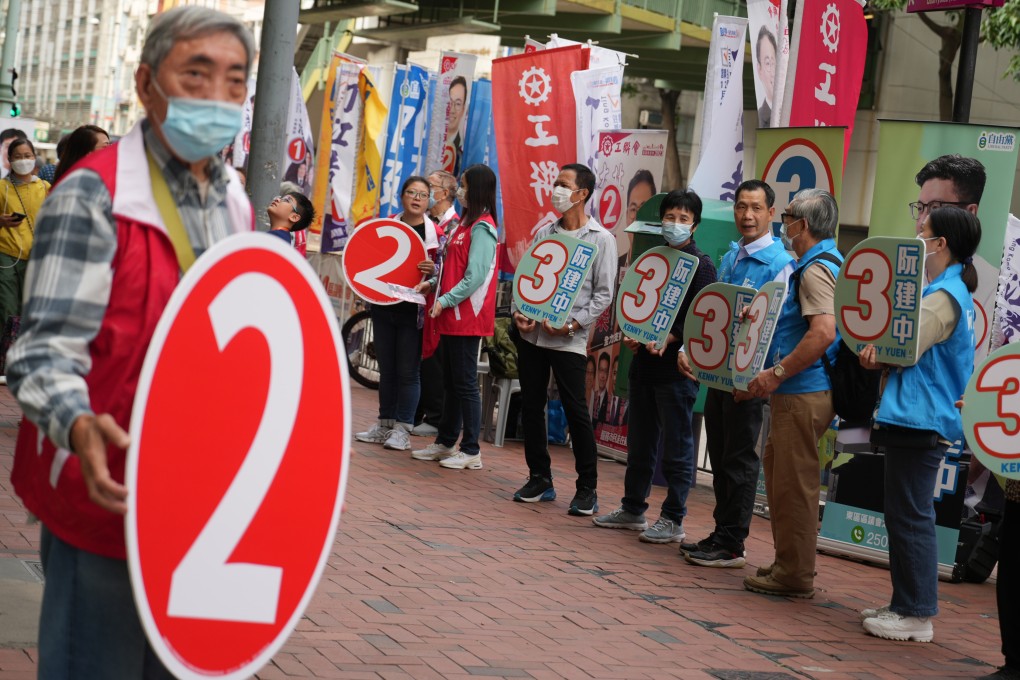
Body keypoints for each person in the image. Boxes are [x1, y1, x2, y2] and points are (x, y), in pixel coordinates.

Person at [5, 7, 254, 677]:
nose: (217, 96)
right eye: (195, 74)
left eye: (234, 81)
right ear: (147, 84)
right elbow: (42, 352)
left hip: (199, 501)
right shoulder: (93, 194)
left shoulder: (234, 203)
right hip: (107, 488)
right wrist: (78, 424)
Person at [856, 206, 980, 643]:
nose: (916, 234)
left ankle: (916, 612)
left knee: (910, 515)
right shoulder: (945, 291)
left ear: (941, 243)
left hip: (922, 418)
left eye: (923, 230)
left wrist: (877, 353)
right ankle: (905, 602)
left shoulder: (943, 297)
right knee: (905, 513)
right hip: (917, 415)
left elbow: (903, 348)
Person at [678, 179, 795, 567]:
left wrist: (760, 376)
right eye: (741, 207)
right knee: (723, 454)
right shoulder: (731, 257)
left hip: (750, 379)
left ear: (771, 214)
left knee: (740, 460)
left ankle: (732, 542)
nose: (747, 215)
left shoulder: (780, 265)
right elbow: (712, 313)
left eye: (756, 208)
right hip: (718, 375)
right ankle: (720, 532)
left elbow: (778, 326)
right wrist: (689, 349)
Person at [593, 188, 717, 543]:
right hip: (643, 365)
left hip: (675, 372)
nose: (675, 224)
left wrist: (672, 337)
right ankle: (633, 509)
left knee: (677, 446)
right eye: (670, 217)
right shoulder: (653, 258)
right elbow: (635, 305)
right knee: (641, 443)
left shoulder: (702, 265)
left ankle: (674, 518)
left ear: (694, 226)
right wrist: (633, 334)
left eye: (683, 219)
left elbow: (700, 317)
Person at [741, 188, 842, 598]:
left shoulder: (816, 269)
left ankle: (795, 573)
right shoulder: (821, 262)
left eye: (787, 216)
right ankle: (788, 562)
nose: (783, 223)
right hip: (802, 389)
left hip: (803, 390)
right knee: (782, 478)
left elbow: (822, 333)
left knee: (794, 484)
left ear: (802, 224)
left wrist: (777, 373)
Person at [509, 163, 617, 515]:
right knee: (531, 404)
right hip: (534, 337)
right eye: (555, 182)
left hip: (568, 340)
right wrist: (518, 312)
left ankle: (587, 488)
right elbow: (526, 278)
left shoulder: (602, 239)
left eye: (562, 184)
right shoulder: (546, 233)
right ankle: (539, 477)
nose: (555, 188)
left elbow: (604, 294)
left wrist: (572, 324)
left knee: (575, 411)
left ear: (582, 194)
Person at [411, 164, 498, 469]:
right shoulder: (462, 225)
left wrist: (445, 299)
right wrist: (433, 284)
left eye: (463, 184)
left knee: (464, 385)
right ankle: (446, 442)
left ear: (476, 189)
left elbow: (474, 277)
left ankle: (471, 449)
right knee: (450, 382)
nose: (458, 190)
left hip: (467, 317)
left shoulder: (483, 228)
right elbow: (451, 269)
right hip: (449, 314)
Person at [356, 175, 439, 451]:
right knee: (387, 370)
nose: (416, 198)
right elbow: (367, 259)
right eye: (412, 192)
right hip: (383, 307)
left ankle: (403, 428)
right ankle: (385, 424)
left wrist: (433, 272)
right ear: (402, 196)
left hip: (412, 312)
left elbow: (446, 273)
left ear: (429, 201)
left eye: (423, 194)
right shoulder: (386, 225)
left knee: (408, 371)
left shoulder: (435, 234)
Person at [413, 169, 460, 438]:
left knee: (436, 360)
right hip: (422, 299)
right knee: (422, 360)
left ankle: (436, 415)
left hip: (441, 300)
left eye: (429, 187)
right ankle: (418, 412)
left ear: (444, 193)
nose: (424, 192)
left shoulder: (454, 226)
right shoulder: (428, 221)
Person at [0, 138, 51, 326]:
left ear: (34, 157)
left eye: (27, 155)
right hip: (6, 256)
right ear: (10, 159)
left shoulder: (45, 188)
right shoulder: (1, 188)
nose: (23, 160)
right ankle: (5, 351)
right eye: (18, 156)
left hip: (36, 256)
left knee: (29, 307)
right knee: (7, 307)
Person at [445, 76, 467, 176]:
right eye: (450, 102)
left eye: (458, 104)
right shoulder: (433, 142)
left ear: (463, 109)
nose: (452, 110)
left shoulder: (463, 151)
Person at [756, 27, 777, 128]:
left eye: (774, 63)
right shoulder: (759, 117)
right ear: (759, 69)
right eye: (768, 63)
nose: (773, 72)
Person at [592, 351, 611, 425]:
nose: (602, 376)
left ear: (608, 374)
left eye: (605, 371)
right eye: (601, 370)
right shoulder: (592, 396)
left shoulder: (610, 402)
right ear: (597, 371)